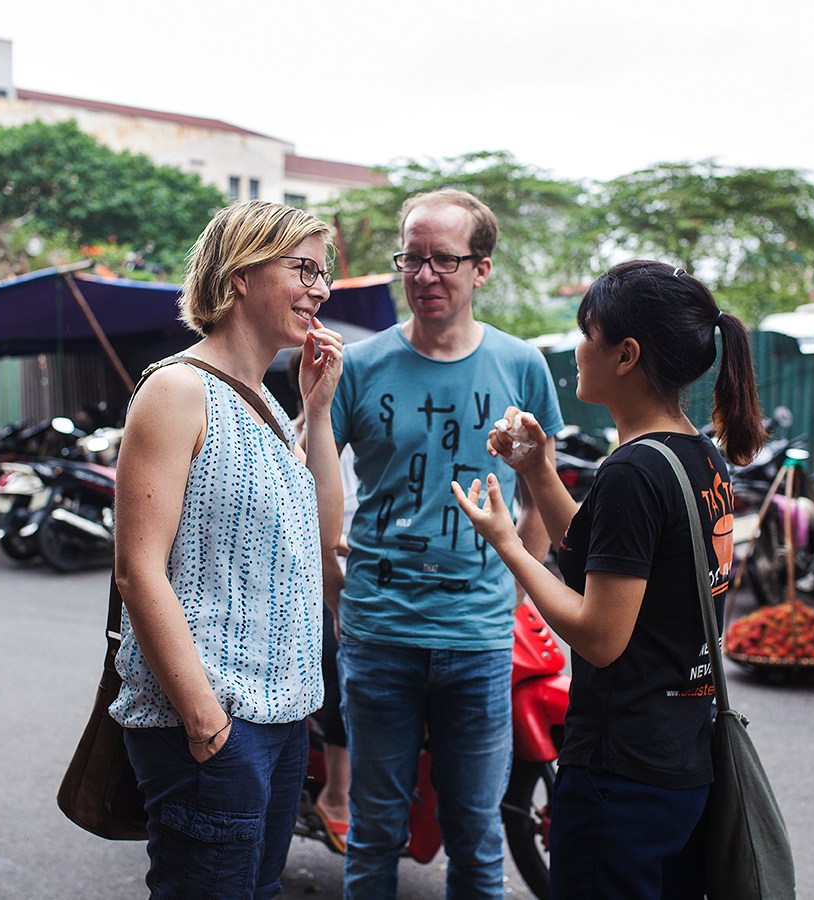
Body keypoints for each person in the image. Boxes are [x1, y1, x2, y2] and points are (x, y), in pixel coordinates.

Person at [452, 260, 766, 899]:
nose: (576, 344)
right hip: (683, 762)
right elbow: (605, 559)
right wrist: (539, 470)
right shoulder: (693, 455)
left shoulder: (631, 472)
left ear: (625, 354)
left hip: (622, 772)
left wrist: (511, 546)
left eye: (584, 329)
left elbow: (601, 636)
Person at [328, 188, 565, 897]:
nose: (424, 276)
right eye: (412, 259)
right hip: (379, 636)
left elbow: (542, 493)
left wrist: (516, 586)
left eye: (444, 261)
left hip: (479, 639)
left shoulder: (521, 365)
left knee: (477, 838)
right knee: (372, 834)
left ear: (481, 269)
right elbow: (314, 488)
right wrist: (339, 595)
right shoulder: (360, 366)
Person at [108, 200, 345, 899]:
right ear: (240, 275)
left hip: (277, 720)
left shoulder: (267, 405)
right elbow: (137, 570)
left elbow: (322, 531)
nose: (321, 289)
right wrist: (206, 719)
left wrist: (319, 409)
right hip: (215, 723)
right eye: (303, 269)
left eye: (322, 273)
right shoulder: (178, 390)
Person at [288, 347, 357, 853]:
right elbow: (318, 529)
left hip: (361, 578)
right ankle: (337, 794)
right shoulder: (293, 431)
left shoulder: (354, 432)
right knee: (340, 660)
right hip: (317, 586)